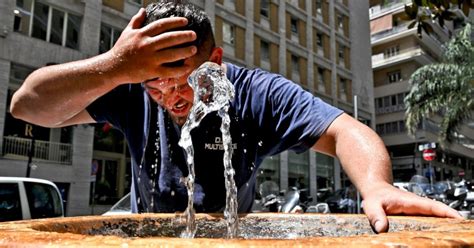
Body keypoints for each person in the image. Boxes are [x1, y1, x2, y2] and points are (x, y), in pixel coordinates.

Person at [10, 1, 461, 233]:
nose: (170, 96)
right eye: (155, 83)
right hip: (146, 231)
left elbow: (346, 130)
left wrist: (376, 186)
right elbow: (27, 105)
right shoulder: (127, 85)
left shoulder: (253, 94)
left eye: (183, 80)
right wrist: (116, 66)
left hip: (232, 232)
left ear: (217, 63)